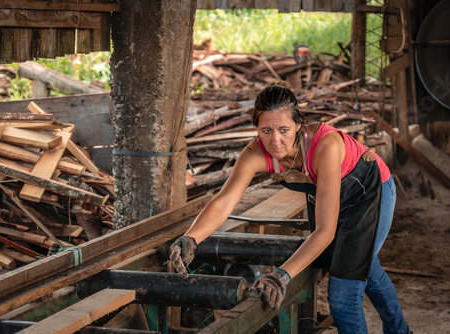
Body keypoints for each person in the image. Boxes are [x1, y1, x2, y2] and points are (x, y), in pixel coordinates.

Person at [170, 82, 411, 334]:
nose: (275, 141)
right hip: (329, 197)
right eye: (266, 130)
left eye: (284, 129)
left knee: (343, 299)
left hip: (368, 191)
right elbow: (223, 203)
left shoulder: (325, 146)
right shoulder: (254, 153)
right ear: (257, 129)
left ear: (299, 124)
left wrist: (281, 275)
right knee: (363, 265)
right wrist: (191, 238)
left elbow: (326, 231)